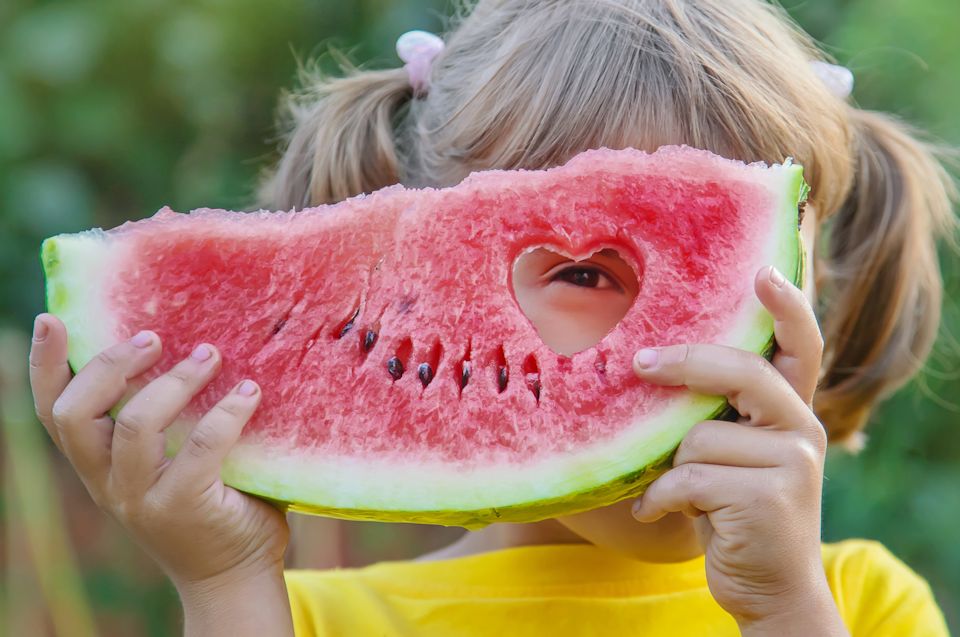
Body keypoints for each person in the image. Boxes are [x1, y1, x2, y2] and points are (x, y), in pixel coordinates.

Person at [29, 1, 956, 635]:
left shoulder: (860, 601)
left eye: (754, 273)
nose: (687, 343)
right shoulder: (305, 617)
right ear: (431, 292)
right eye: (591, 269)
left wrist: (785, 607)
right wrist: (222, 581)